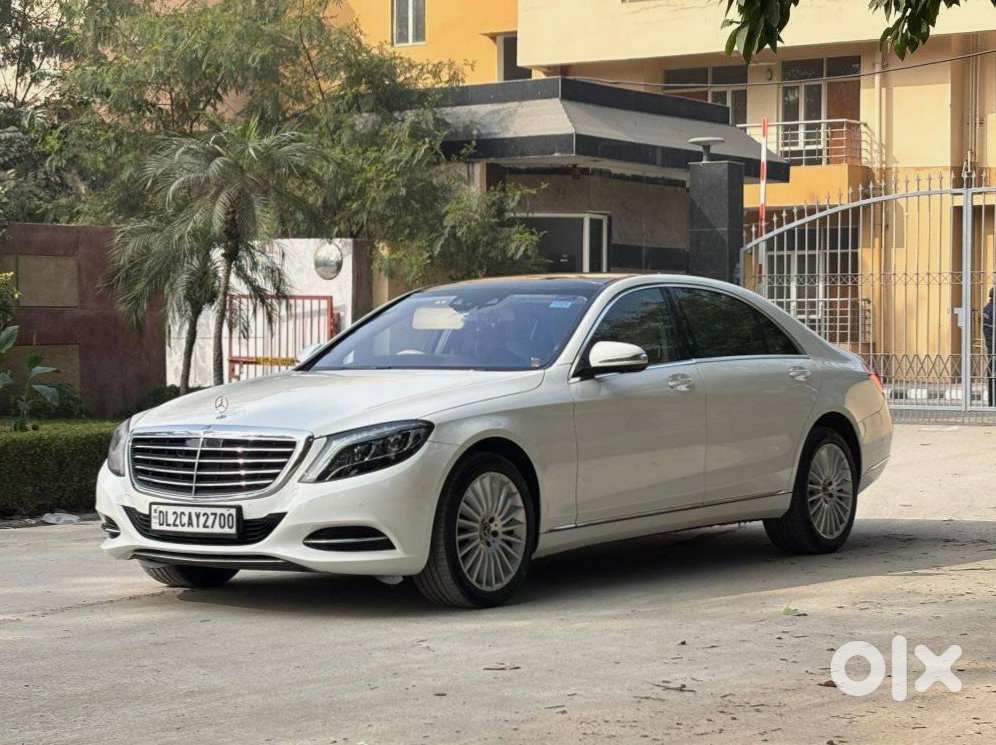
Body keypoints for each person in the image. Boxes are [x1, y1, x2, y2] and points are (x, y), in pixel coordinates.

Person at [984, 287, 996, 405]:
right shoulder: (993, 309)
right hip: (994, 345)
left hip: (990, 345)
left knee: (992, 373)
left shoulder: (987, 308)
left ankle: (991, 401)